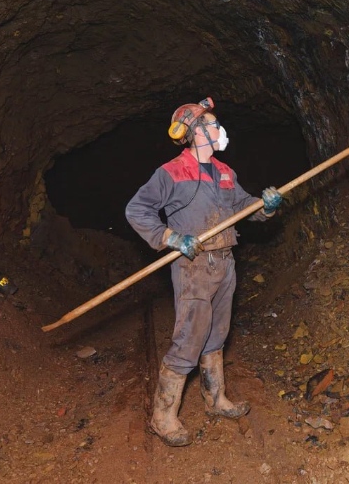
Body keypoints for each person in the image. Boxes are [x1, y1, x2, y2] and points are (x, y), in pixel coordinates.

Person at [125, 97, 283, 447]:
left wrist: (265, 207)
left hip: (225, 261)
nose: (218, 129)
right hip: (193, 265)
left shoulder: (226, 172)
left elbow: (243, 207)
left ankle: (215, 400)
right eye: (211, 124)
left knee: (217, 333)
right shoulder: (171, 172)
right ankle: (163, 417)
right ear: (196, 133)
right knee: (190, 338)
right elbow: (137, 210)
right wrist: (171, 237)